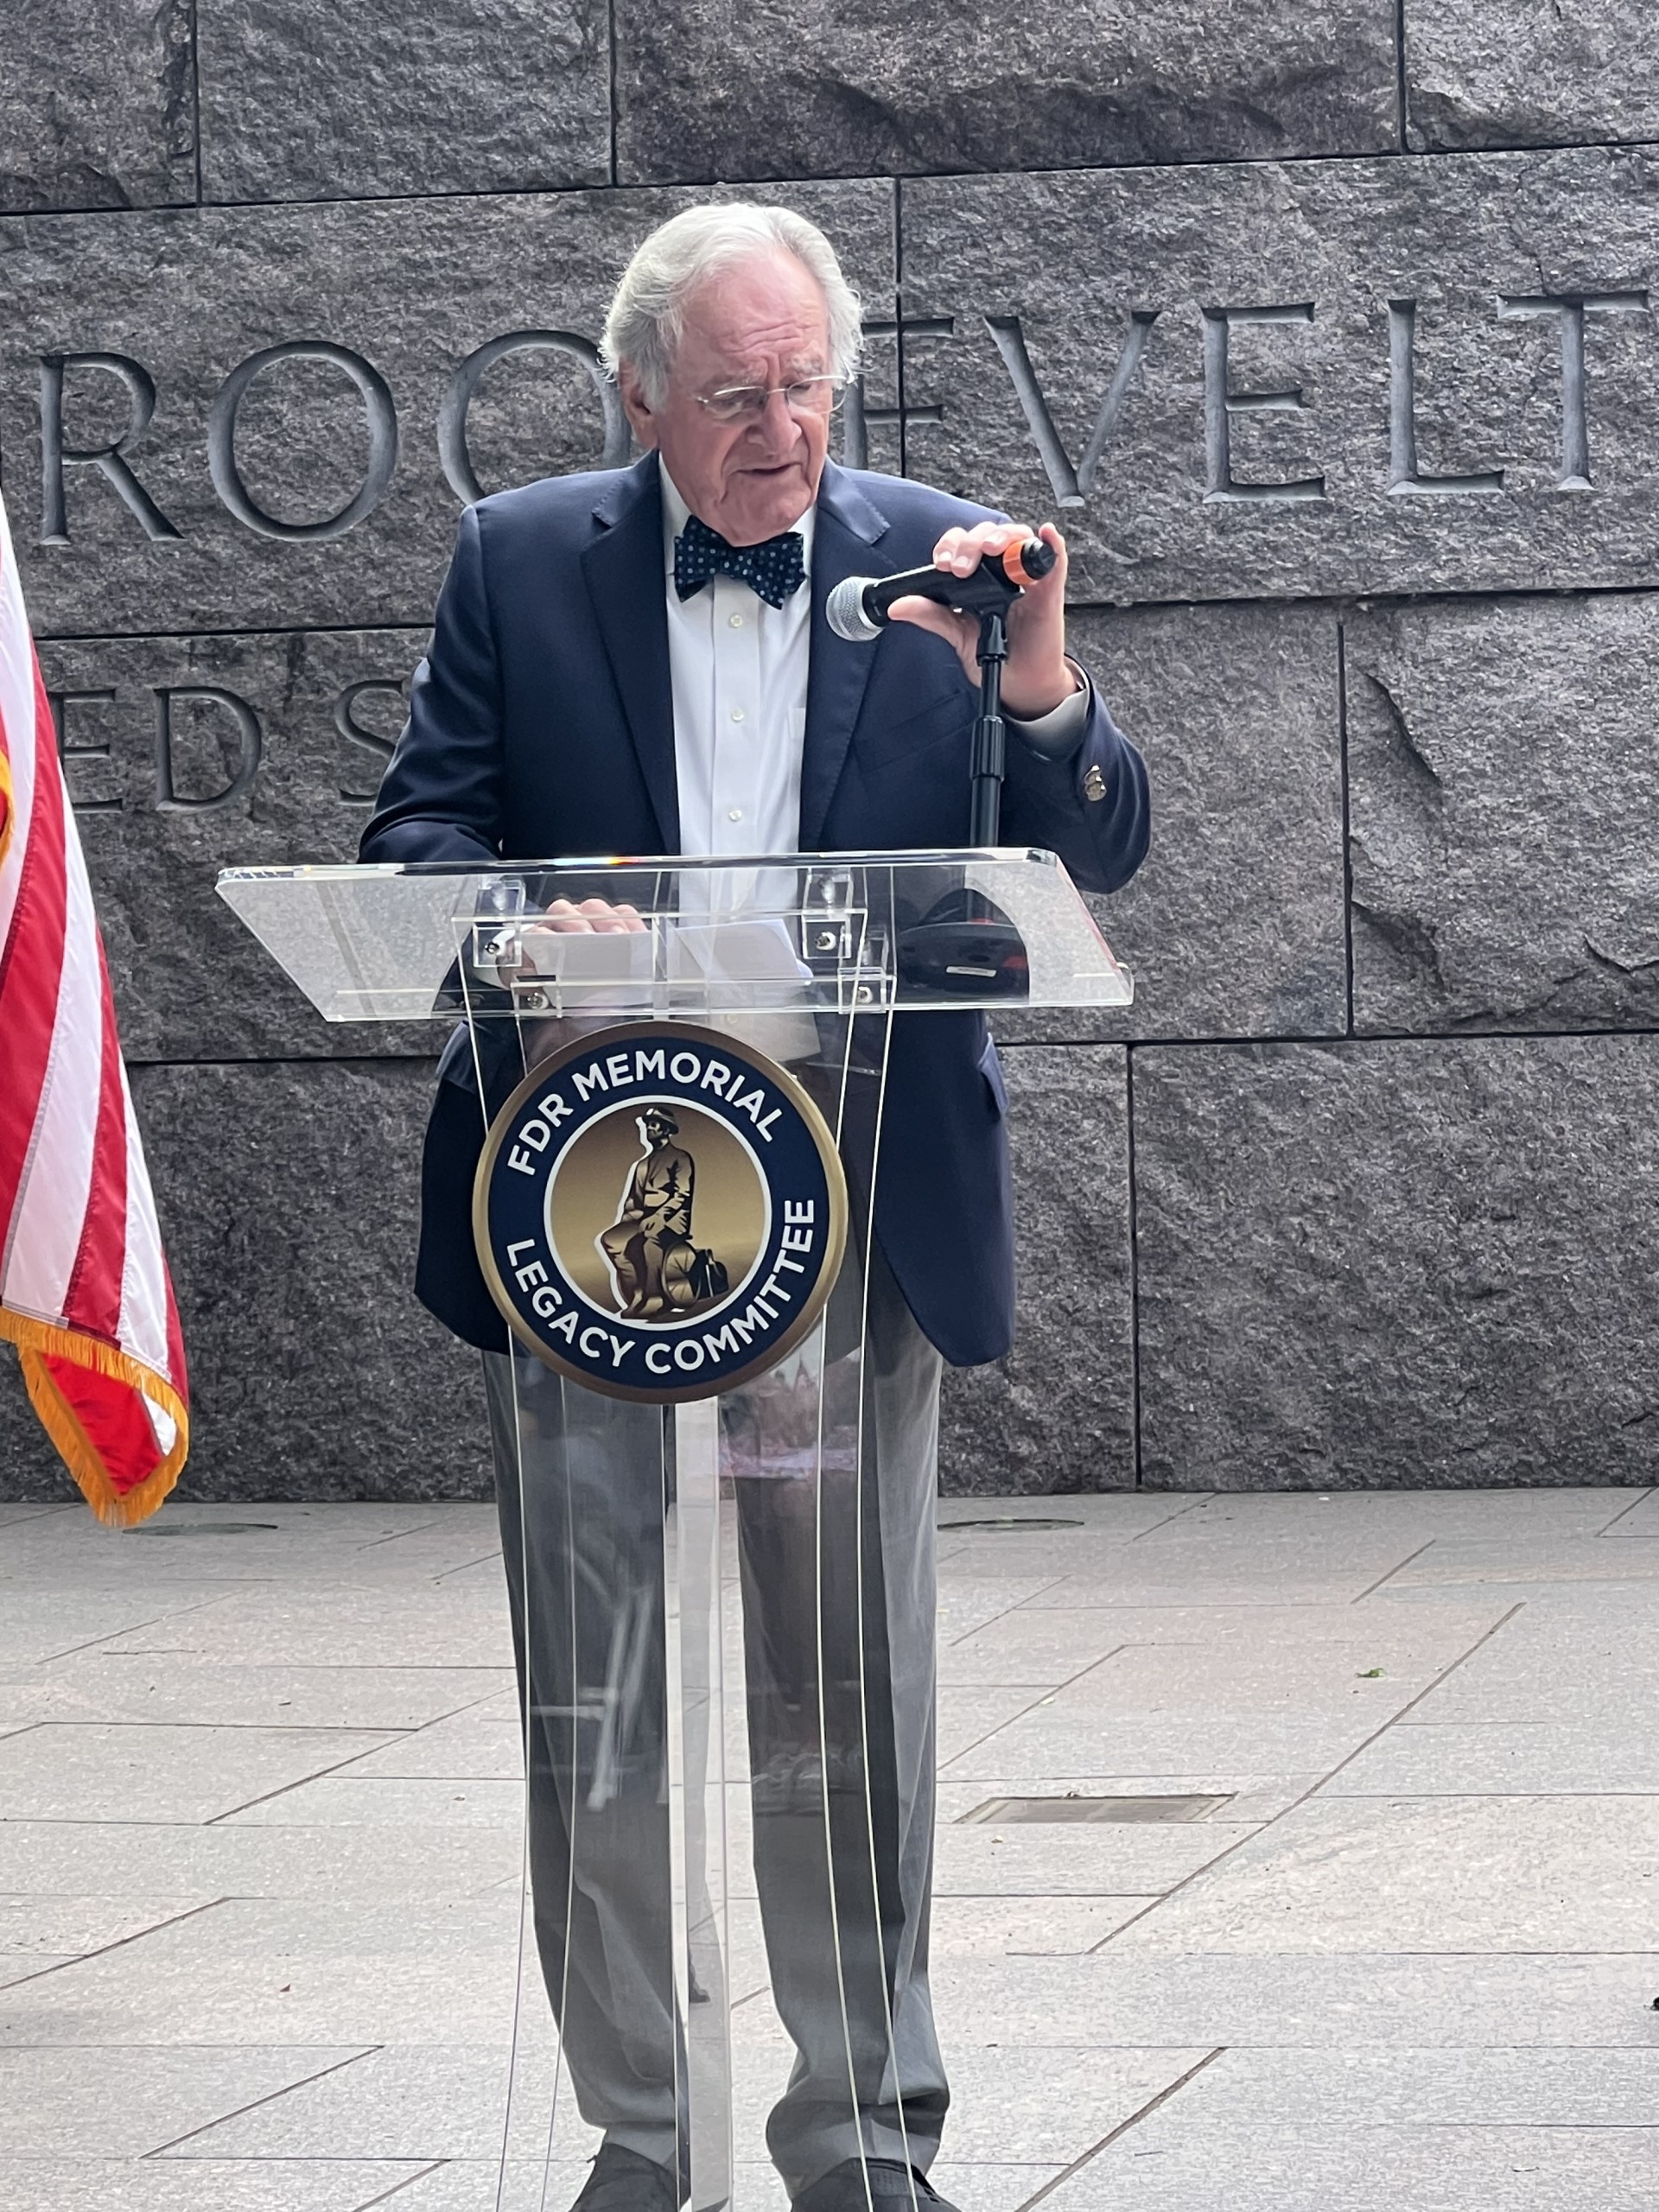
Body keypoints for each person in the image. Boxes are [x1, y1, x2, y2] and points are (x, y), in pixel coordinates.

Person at [361, 203, 1149, 2212]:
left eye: (808, 383)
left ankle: (866, 2137)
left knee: (845, 1698)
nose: (782, 426)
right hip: (593, 1189)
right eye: (734, 393)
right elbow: (419, 833)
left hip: (852, 1190)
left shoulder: (947, 558)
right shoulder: (521, 558)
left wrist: (1042, 682)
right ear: (641, 398)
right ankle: (648, 2136)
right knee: (600, 1689)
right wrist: (530, 919)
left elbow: (1101, 842)